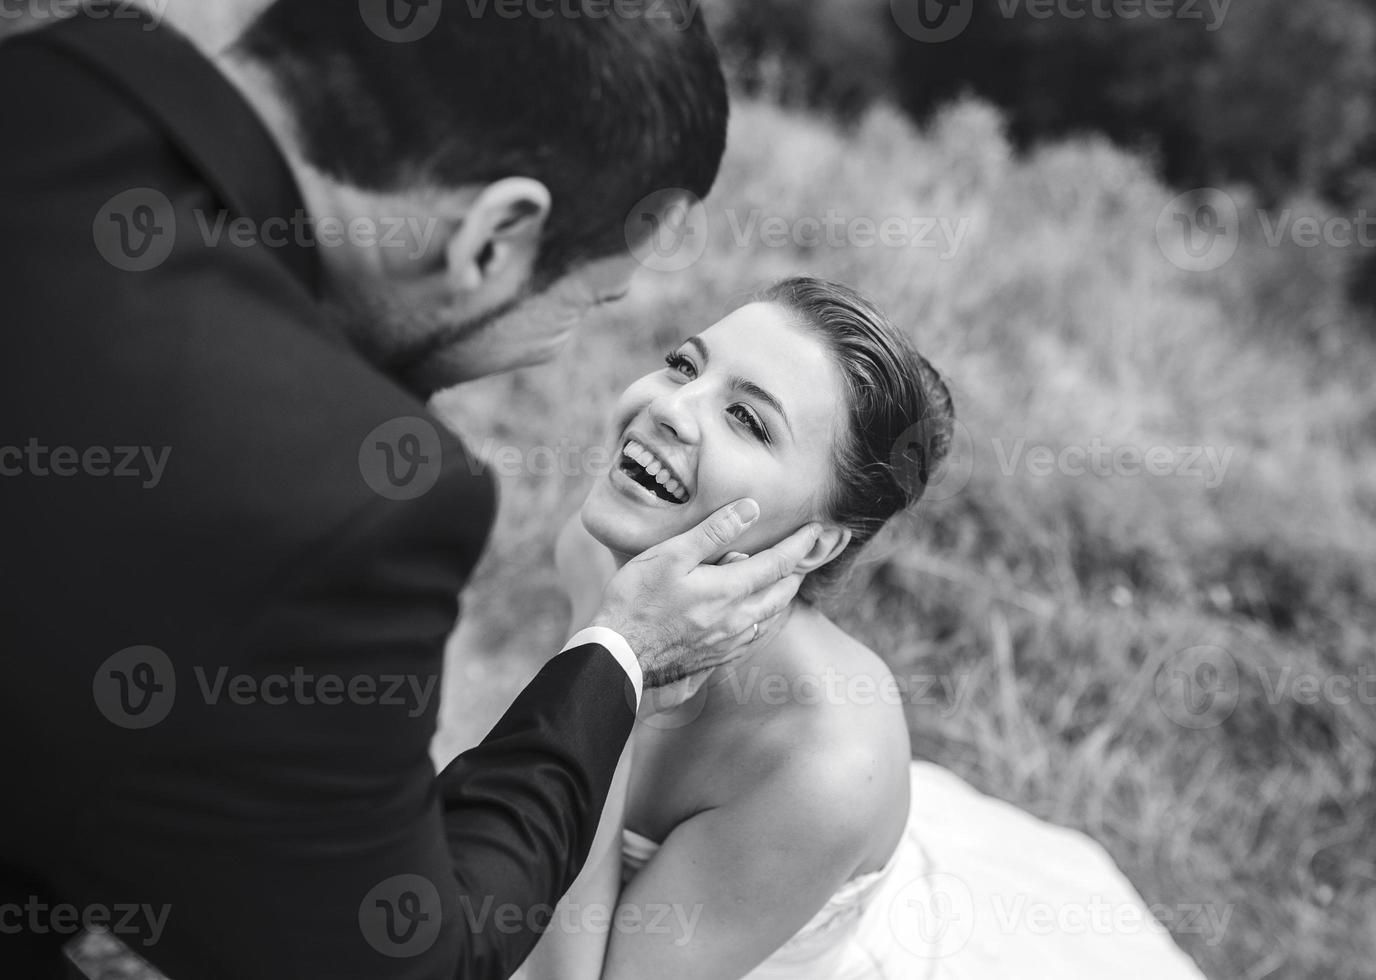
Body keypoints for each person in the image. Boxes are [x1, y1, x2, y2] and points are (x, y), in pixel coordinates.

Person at [0, 4, 818, 978]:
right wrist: (620, 655)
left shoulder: (60, 70)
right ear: (495, 237)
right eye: (588, 303)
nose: (563, 348)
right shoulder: (340, 498)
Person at [522, 278, 1211, 979]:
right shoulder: (599, 548)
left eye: (748, 420)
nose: (671, 408)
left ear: (818, 545)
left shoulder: (821, 765)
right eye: (685, 366)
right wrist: (613, 664)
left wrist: (607, 683)